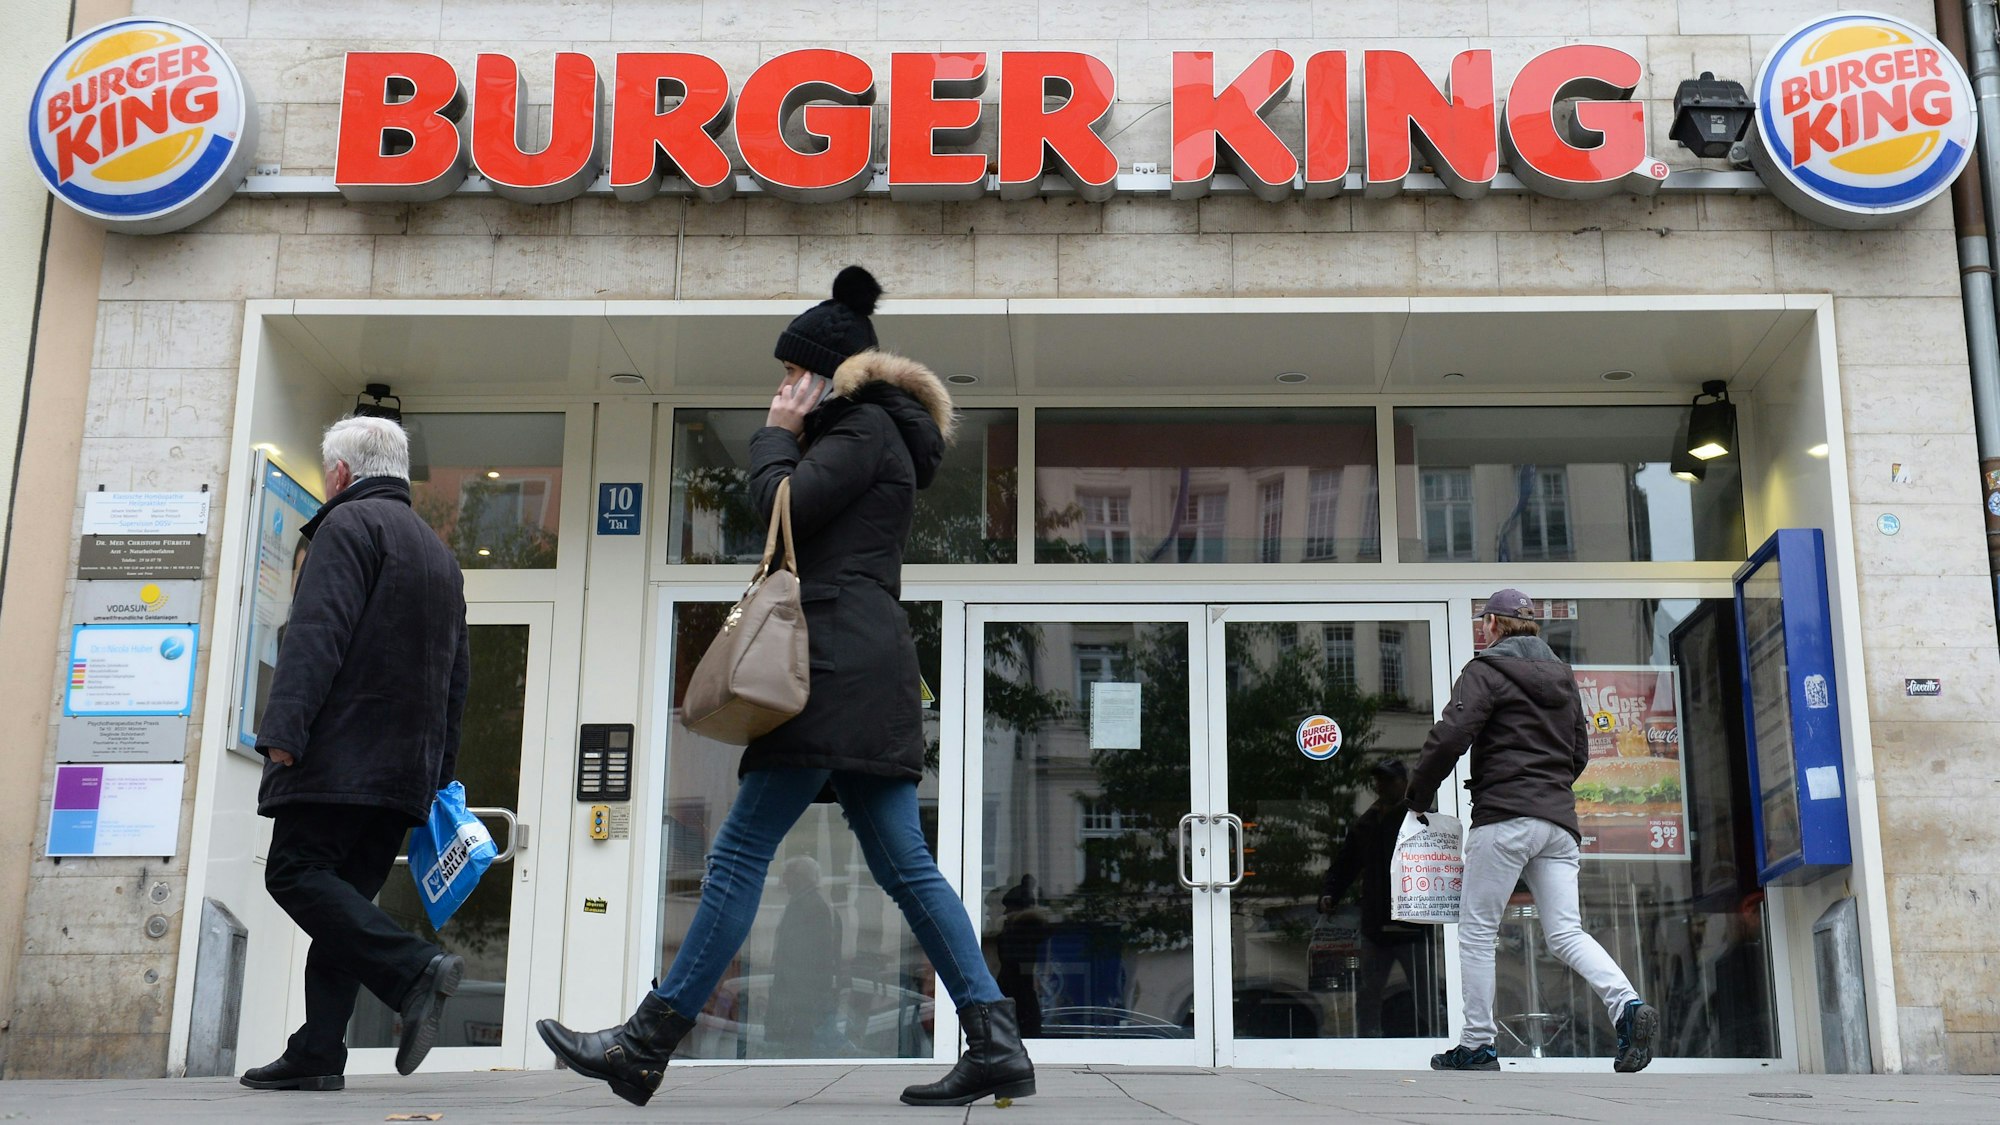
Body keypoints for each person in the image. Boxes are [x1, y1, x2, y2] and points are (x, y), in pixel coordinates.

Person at [536, 266, 1035, 1109]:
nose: (781, 387)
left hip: (831, 667)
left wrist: (775, 433)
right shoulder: (874, 431)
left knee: (736, 855)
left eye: (792, 374)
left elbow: (784, 510)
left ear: (827, 374)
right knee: (905, 865)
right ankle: (996, 1040)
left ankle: (642, 1045)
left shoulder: (863, 428)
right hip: (858, 663)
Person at [243, 415, 471, 1091]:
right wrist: (439, 773)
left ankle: (412, 970)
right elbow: (458, 676)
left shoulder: (346, 527)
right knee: (344, 906)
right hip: (404, 774)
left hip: (340, 760)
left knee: (294, 872)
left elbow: (317, 634)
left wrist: (284, 728)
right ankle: (317, 1052)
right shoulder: (439, 553)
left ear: (340, 475)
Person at [1407, 589, 1659, 1073]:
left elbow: (1451, 736)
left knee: (1478, 932)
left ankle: (1478, 1044)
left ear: (1493, 625)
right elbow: (1579, 751)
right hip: (1558, 825)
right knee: (1566, 932)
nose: (1482, 629)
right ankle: (1626, 1004)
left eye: (1484, 623)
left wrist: (1418, 795)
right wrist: (1549, 791)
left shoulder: (1486, 671)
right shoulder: (1563, 678)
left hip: (1504, 817)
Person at [1318, 759, 1429, 1037]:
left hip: (1411, 924)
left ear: (1403, 782)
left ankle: (1442, 1040)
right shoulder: (1367, 822)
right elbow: (1346, 863)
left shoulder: (1420, 818)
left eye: (1388, 780)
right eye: (1378, 780)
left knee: (1426, 994)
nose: (1380, 786)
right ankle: (1368, 1045)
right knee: (1368, 994)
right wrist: (1330, 892)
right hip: (1376, 925)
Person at [766, 856, 843, 1056]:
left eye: (787, 875)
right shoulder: (805, 903)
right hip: (798, 990)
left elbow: (812, 954)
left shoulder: (810, 906)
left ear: (800, 877)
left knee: (800, 1044)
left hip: (801, 992)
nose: (783, 881)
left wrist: (792, 987)